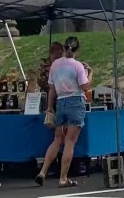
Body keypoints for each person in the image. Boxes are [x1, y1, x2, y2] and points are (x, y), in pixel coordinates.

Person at [36, 35, 91, 188]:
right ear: (76, 50)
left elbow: (51, 88)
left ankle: (43, 171)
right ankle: (63, 178)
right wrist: (90, 73)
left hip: (60, 102)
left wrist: (49, 106)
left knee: (57, 139)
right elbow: (85, 86)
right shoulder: (78, 65)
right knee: (70, 142)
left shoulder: (55, 65)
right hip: (75, 101)